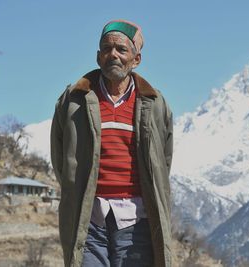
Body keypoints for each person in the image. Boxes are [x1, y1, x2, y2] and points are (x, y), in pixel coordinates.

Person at [50, 19, 173, 267]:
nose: (112, 55)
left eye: (121, 49)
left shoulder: (154, 103)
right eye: (106, 49)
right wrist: (77, 194)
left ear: (136, 59)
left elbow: (163, 161)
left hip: (136, 221)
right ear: (98, 57)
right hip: (89, 222)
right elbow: (60, 157)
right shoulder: (73, 101)